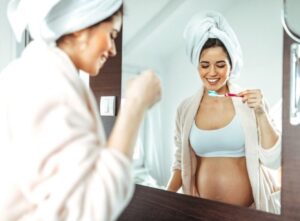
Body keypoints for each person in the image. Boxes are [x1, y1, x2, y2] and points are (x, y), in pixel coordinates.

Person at [0, 0, 161, 220]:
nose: (113, 50)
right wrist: (135, 104)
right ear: (80, 28)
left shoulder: (33, 72)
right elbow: (87, 210)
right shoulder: (49, 82)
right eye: (112, 35)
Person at [166, 11, 281, 214]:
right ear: (197, 66)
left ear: (231, 65)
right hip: (202, 211)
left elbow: (273, 159)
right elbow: (179, 162)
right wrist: (165, 198)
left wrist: (262, 113)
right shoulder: (184, 110)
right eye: (205, 65)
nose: (212, 73)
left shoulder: (250, 103)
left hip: (248, 211)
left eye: (220, 65)